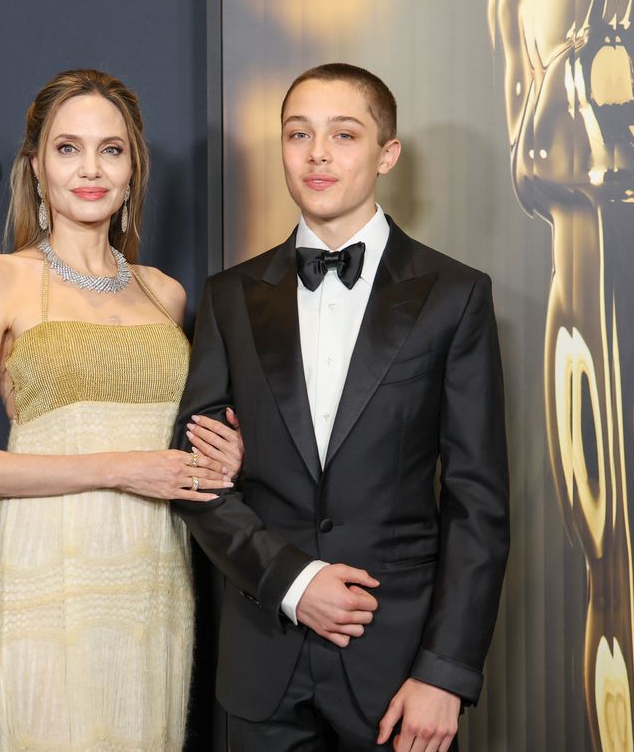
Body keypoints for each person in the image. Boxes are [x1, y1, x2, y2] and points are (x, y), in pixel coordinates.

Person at [173, 63, 509, 752]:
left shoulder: (455, 295)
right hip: (259, 660)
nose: (317, 153)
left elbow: (478, 503)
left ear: (387, 153)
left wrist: (445, 673)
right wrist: (294, 580)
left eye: (343, 134)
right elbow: (195, 476)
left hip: (399, 669)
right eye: (298, 133)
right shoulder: (228, 296)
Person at [0, 68, 245, 752]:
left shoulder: (164, 294)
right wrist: (122, 467)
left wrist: (225, 452)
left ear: (134, 169)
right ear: (36, 166)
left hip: (153, 567)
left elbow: (185, 441)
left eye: (111, 149)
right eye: (68, 148)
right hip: (49, 563)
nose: (90, 169)